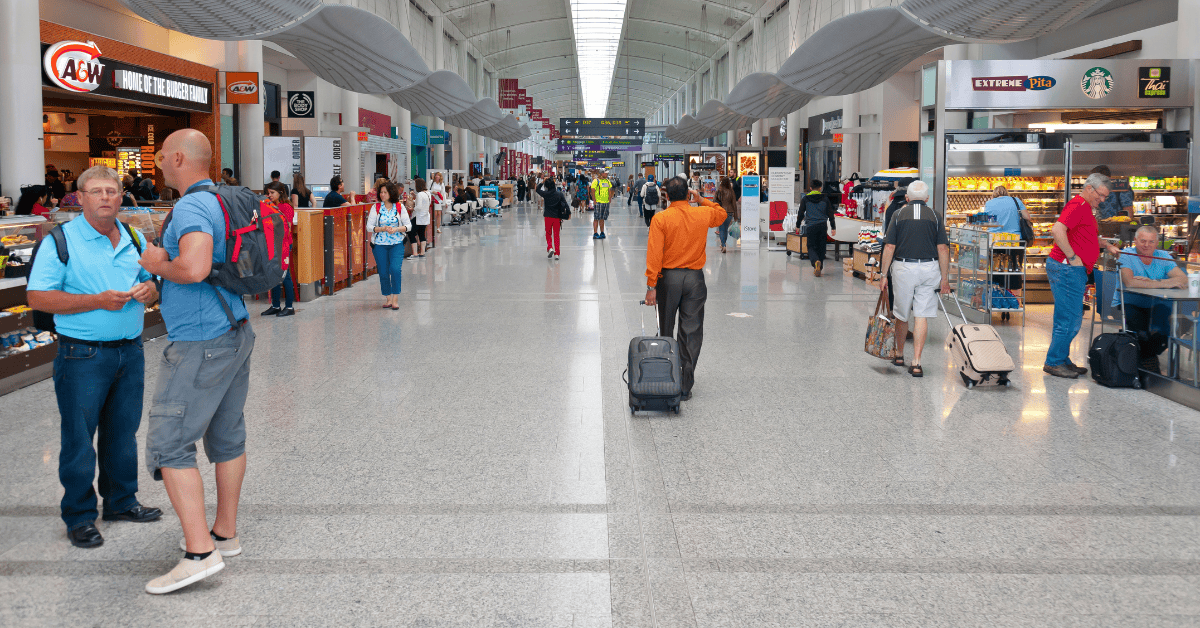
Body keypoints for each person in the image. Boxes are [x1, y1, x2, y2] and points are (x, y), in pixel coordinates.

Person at [137, 129, 256, 594]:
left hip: (201, 340)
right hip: (235, 328)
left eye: (162, 155)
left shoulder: (189, 207)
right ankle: (224, 533)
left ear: (179, 157)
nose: (159, 162)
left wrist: (155, 263)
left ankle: (199, 552)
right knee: (227, 435)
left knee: (169, 443)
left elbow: (195, 268)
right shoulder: (224, 200)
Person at [26, 166, 163, 550]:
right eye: (96, 191)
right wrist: (97, 301)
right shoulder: (61, 240)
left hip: (130, 351)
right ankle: (80, 516)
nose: (105, 197)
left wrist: (150, 290)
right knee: (79, 439)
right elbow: (39, 297)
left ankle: (121, 502)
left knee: (122, 434)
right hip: (81, 355)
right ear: (81, 197)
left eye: (112, 190)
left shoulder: (134, 236)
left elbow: (153, 288)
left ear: (122, 197)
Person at [643, 177, 730, 400]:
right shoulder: (701, 213)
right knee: (691, 331)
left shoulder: (661, 219)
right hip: (694, 279)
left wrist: (651, 285)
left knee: (666, 328)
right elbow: (722, 214)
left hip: (668, 279)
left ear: (667, 196)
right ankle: (685, 385)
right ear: (688, 194)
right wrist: (701, 199)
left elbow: (655, 254)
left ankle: (666, 376)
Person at [1044, 172, 1123, 379]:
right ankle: (1053, 362)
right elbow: (1057, 229)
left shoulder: (1086, 208)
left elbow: (1086, 236)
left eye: (1105, 196)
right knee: (1070, 319)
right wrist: (1072, 256)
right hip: (1068, 268)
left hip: (1072, 269)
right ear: (1089, 188)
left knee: (1068, 317)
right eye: (1101, 195)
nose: (1103, 200)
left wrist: (1106, 245)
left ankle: (1062, 358)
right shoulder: (1078, 205)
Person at [878, 181, 951, 377]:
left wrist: (883, 274)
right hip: (929, 269)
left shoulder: (898, 214)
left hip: (904, 268)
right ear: (927, 199)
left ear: (907, 198)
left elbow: (889, 247)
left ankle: (900, 354)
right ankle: (917, 362)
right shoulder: (936, 216)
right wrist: (945, 278)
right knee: (921, 315)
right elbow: (942, 249)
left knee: (901, 314)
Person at [1114, 225, 1189, 373]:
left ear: (1157, 242)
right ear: (1135, 240)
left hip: (1157, 303)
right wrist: (1166, 283)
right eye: (1143, 241)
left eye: (1151, 241)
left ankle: (1146, 358)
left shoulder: (1163, 256)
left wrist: (1151, 283)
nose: (1147, 245)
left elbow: (1183, 279)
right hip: (1128, 303)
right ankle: (1148, 363)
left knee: (1174, 327)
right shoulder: (1127, 254)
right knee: (1141, 330)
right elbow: (1130, 282)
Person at [985, 185, 1033, 321]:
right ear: (1007, 193)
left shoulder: (989, 203)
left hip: (995, 243)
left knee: (996, 270)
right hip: (1014, 243)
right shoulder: (1016, 200)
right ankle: (1015, 302)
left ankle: (997, 300)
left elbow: (989, 223)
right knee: (1014, 271)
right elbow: (1027, 217)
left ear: (994, 194)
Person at [366, 180, 411, 310]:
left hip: (396, 243)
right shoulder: (376, 207)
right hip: (379, 244)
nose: (382, 195)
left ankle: (395, 298)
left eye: (385, 192)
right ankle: (388, 297)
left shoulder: (399, 207)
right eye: (381, 192)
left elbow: (408, 226)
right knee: (384, 272)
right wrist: (382, 229)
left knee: (395, 269)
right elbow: (369, 227)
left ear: (391, 193)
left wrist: (396, 229)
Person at [260, 182, 295, 317]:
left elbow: (285, 226)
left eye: (272, 193)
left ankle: (289, 307)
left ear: (280, 192)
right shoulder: (271, 205)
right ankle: (275, 305)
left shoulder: (286, 207)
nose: (269, 195)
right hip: (273, 244)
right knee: (273, 275)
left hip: (283, 244)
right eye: (268, 193)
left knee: (285, 276)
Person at [798, 179, 837, 277]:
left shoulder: (805, 199)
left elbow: (800, 213)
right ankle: (820, 266)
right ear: (820, 188)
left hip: (811, 226)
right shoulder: (825, 198)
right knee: (821, 247)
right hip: (822, 226)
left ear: (810, 188)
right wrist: (833, 227)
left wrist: (797, 226)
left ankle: (816, 262)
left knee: (811, 246)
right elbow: (830, 213)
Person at [539, 174, 570, 260]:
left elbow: (537, 189)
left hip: (548, 217)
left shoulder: (545, 194)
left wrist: (542, 181)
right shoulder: (559, 194)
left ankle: (550, 248)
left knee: (548, 234)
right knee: (556, 235)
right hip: (557, 217)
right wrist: (568, 213)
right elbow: (566, 204)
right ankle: (557, 253)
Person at [714, 177, 738, 253]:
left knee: (721, 229)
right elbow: (734, 204)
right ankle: (724, 244)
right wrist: (735, 215)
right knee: (725, 229)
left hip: (721, 212)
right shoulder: (731, 191)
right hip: (729, 212)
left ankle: (723, 244)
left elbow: (715, 201)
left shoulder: (719, 190)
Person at [411, 177, 431, 257]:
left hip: (418, 217)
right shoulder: (427, 193)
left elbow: (418, 206)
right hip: (425, 216)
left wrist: (412, 209)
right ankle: (422, 253)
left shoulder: (420, 194)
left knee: (411, 233)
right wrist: (415, 196)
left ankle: (415, 253)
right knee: (421, 234)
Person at [590, 170, 613, 239]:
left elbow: (609, 190)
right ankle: (595, 233)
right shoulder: (596, 181)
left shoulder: (607, 181)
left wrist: (609, 199)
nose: (607, 174)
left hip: (605, 202)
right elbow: (592, 191)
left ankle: (602, 232)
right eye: (606, 173)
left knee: (602, 218)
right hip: (598, 202)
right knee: (596, 218)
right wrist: (594, 200)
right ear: (602, 173)